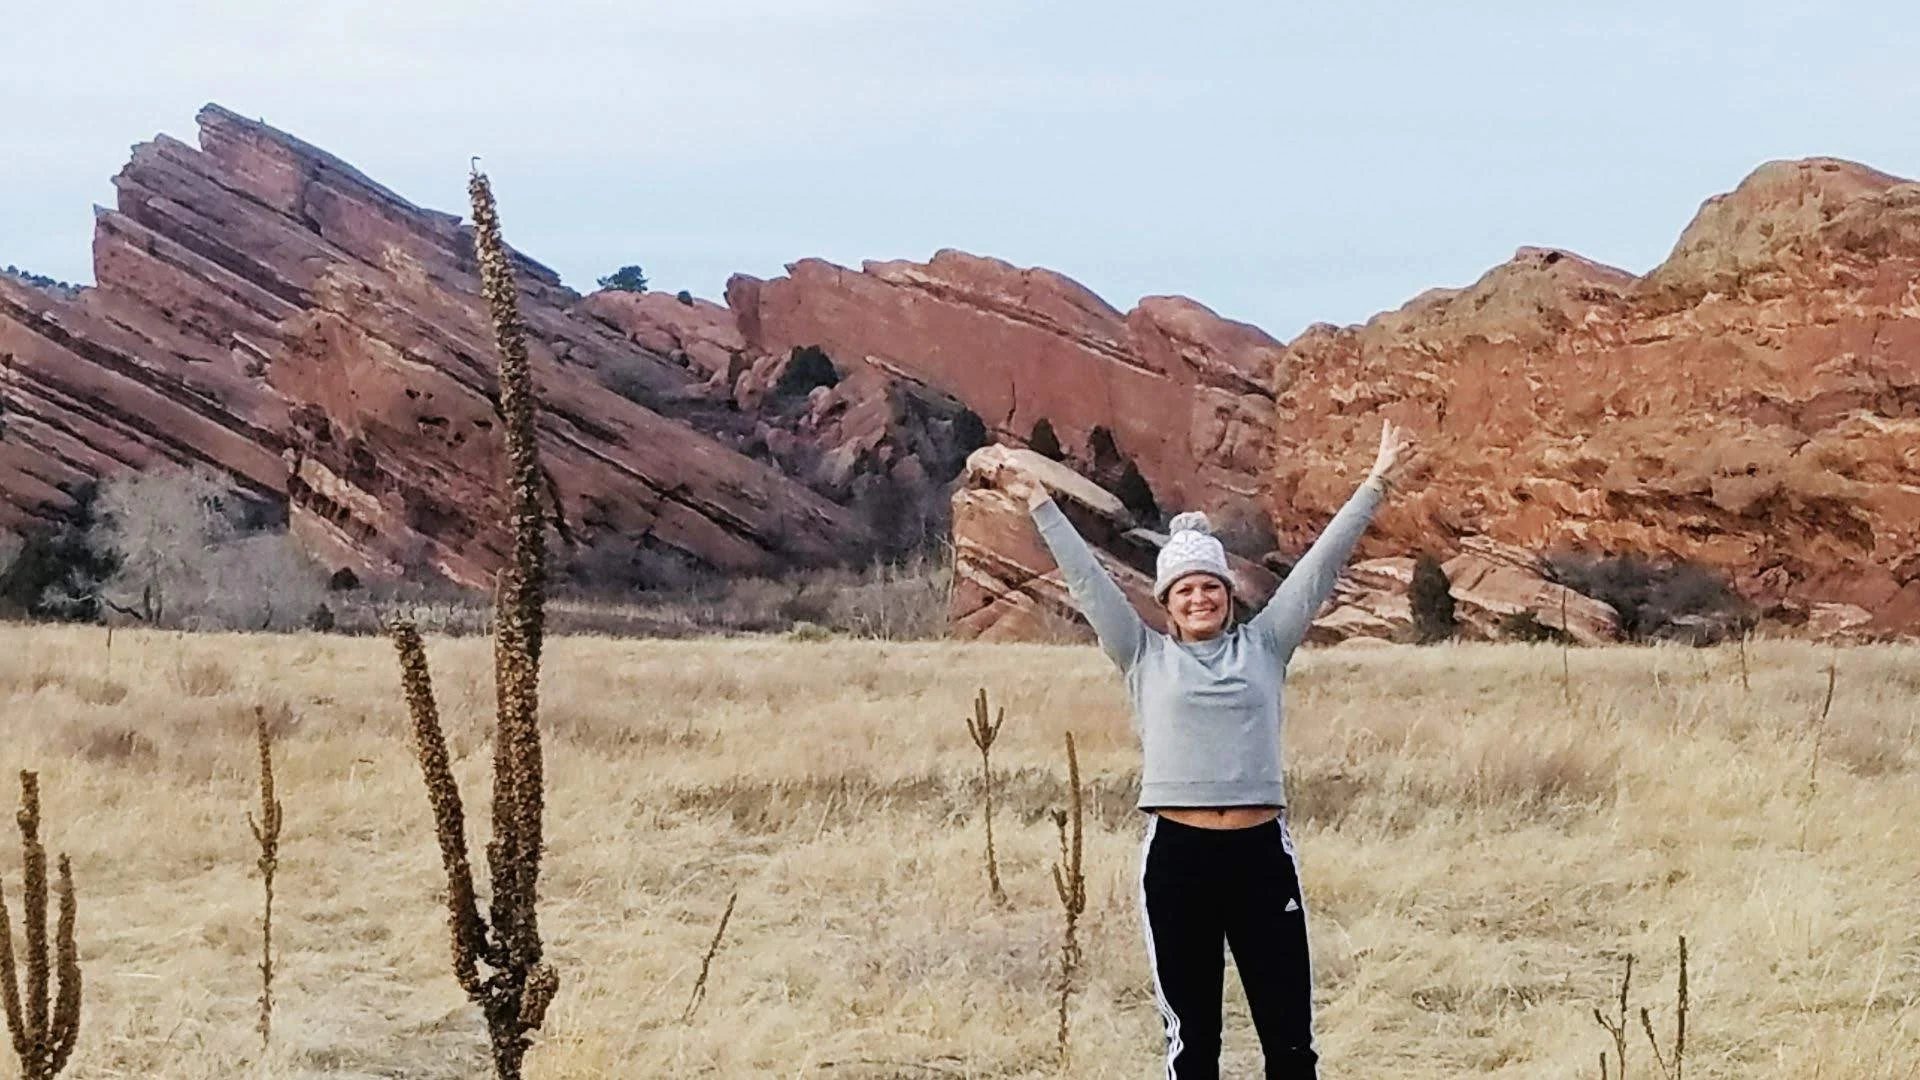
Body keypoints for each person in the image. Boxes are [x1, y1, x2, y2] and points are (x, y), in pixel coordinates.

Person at [1000, 420, 1413, 1080]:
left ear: (1228, 593)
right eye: (1185, 589)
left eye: (1210, 585)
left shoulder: (1267, 645)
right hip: (1179, 861)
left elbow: (1319, 569)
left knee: (1291, 1046)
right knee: (1194, 1047)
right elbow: (1088, 582)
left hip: (1260, 858)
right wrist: (1041, 504)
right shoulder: (1142, 655)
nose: (1200, 597)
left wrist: (1376, 483)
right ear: (1167, 603)